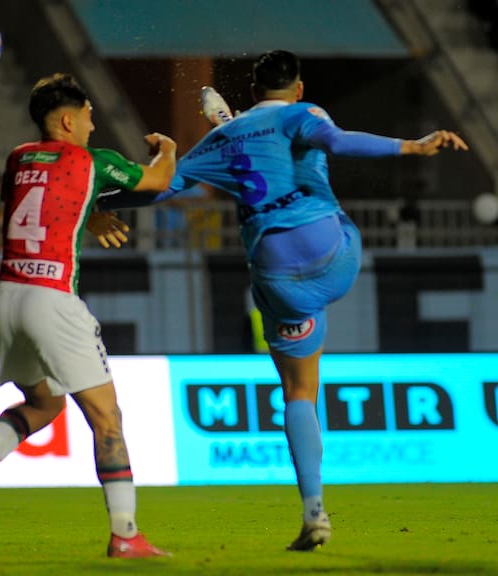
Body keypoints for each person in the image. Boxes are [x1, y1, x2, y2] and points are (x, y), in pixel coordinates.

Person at [101, 50, 469, 551]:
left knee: (299, 392)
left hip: (279, 279)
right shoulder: (303, 114)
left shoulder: (217, 141)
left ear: (254, 92)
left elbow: (159, 189)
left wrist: (94, 203)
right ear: (298, 88)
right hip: (335, 255)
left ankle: (315, 511)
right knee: (331, 210)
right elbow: (337, 141)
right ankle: (314, 511)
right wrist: (412, 146)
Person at [0, 72, 176, 559]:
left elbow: (40, 203)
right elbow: (159, 180)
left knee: (44, 404)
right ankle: (125, 534)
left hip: (5, 297)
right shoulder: (94, 161)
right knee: (107, 420)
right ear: (69, 121)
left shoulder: (17, 158)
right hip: (51, 298)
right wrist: (169, 150)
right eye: (89, 116)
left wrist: (88, 213)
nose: (93, 126)